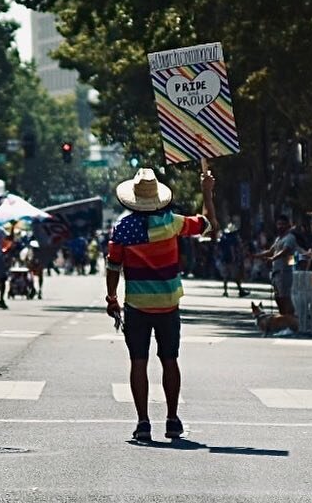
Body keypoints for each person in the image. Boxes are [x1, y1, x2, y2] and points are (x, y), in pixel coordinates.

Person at [106, 167, 217, 443]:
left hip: (137, 305)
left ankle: (143, 422)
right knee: (170, 360)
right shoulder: (173, 222)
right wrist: (207, 193)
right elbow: (208, 224)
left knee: (138, 362)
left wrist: (111, 298)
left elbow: (113, 267)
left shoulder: (122, 229)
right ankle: (172, 418)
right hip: (168, 304)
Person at [254, 215, 301, 316]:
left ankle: (290, 320)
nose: (280, 226)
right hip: (276, 272)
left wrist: (273, 258)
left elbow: (285, 251)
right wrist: (255, 255)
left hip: (285, 272)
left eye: (283, 224)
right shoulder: (279, 238)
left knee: (285, 297)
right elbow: (271, 251)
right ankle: (283, 320)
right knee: (278, 297)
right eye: (279, 224)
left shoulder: (290, 237)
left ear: (288, 225)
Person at [215, 222, 249, 298]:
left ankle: (225, 291)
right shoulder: (233, 239)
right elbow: (232, 249)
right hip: (231, 259)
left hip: (224, 259)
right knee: (235, 276)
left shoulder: (222, 238)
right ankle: (240, 290)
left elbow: (217, 249)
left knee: (225, 276)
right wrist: (234, 258)